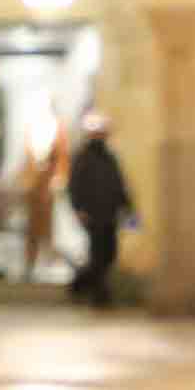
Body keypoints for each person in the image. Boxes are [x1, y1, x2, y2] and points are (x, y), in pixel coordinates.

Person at [64, 109, 136, 307]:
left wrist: (129, 210)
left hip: (110, 213)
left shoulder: (110, 157)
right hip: (92, 214)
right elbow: (74, 186)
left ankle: (80, 284)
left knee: (110, 253)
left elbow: (119, 184)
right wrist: (78, 209)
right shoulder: (82, 157)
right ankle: (100, 296)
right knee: (98, 254)